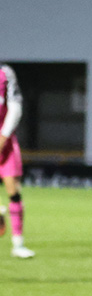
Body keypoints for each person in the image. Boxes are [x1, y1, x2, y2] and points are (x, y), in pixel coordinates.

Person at [0, 63, 35, 258]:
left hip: (4, 141)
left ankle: (18, 245)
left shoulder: (5, 74)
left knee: (13, 190)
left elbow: (15, 108)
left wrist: (3, 138)